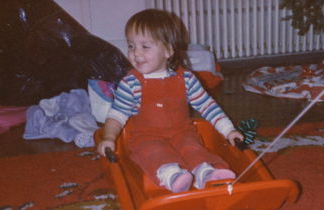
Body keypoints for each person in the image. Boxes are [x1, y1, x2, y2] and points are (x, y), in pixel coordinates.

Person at [97, 9, 244, 193]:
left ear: (167, 50)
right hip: (147, 138)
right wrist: (109, 137)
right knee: (155, 153)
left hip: (183, 133)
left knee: (192, 148)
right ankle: (171, 175)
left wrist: (229, 130)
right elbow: (117, 115)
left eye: (145, 46)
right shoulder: (131, 83)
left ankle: (205, 171)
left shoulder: (187, 78)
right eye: (131, 46)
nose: (136, 53)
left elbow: (208, 107)